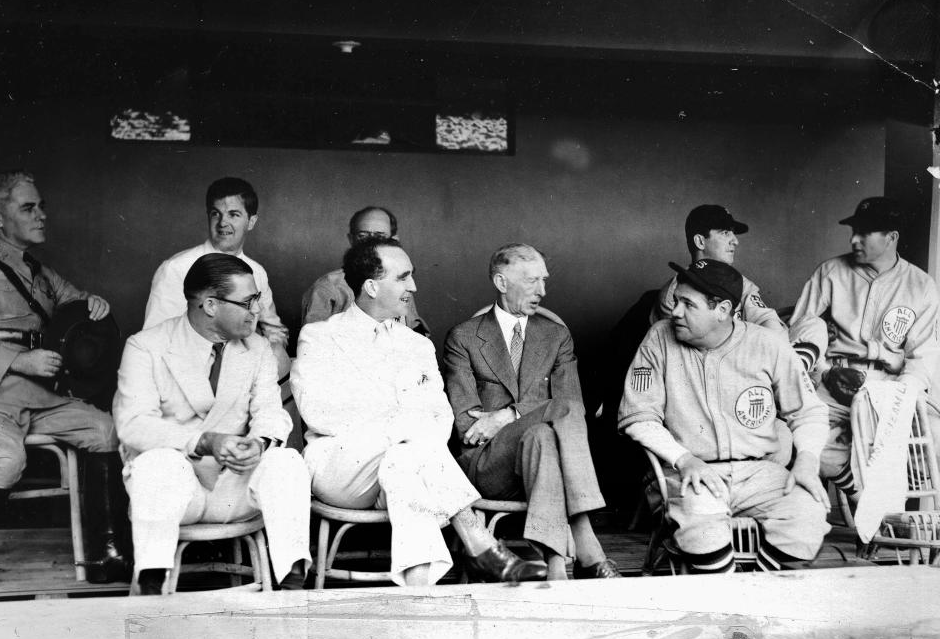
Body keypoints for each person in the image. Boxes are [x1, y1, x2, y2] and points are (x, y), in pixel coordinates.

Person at [292, 237, 546, 586]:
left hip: (401, 466)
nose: (414, 286)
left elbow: (440, 420)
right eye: (403, 277)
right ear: (370, 286)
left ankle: (419, 592)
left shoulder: (417, 345)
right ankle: (480, 543)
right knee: (411, 451)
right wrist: (402, 424)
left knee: (404, 464)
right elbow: (322, 414)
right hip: (341, 470)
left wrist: (398, 428)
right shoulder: (320, 337)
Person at [115, 253, 311, 594]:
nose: (258, 312)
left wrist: (259, 443)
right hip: (176, 490)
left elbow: (270, 411)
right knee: (157, 463)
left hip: (232, 487)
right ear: (209, 305)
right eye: (249, 302)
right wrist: (205, 441)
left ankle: (292, 583)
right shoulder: (146, 346)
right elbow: (133, 425)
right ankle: (152, 586)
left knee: (286, 460)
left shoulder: (258, 348)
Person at [620, 259, 831, 573]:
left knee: (808, 513)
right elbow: (637, 417)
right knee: (704, 532)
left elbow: (808, 411)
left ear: (722, 309)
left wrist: (808, 460)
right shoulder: (659, 338)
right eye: (676, 301)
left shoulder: (767, 343)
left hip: (761, 473)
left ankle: (757, 598)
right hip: (690, 473)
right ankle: (725, 602)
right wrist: (683, 458)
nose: (675, 311)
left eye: (687, 304)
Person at [0, 170, 127, 595]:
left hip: (43, 397)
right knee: (5, 461)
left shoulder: (40, 273)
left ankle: (105, 555)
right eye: (29, 208)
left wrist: (93, 304)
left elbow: (75, 304)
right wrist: (19, 359)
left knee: (108, 431)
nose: (42, 215)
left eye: (41, 205)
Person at [443, 243, 618, 580]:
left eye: (544, 280)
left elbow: (573, 406)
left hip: (543, 457)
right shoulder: (463, 337)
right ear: (501, 282)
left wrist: (507, 415)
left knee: (543, 434)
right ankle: (586, 542)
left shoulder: (556, 336)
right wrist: (521, 416)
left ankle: (556, 569)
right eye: (531, 281)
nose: (543, 291)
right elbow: (468, 424)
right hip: (488, 463)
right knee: (556, 414)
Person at [788, 197, 940, 499]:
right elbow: (799, 333)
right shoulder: (831, 272)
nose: (854, 239)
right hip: (833, 386)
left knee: (935, 437)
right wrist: (825, 372)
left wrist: (899, 397)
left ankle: (887, 499)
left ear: (891, 237)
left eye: (865, 232)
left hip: (888, 388)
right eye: (853, 231)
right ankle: (868, 497)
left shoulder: (920, 285)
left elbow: (923, 358)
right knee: (802, 442)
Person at [143, 177, 290, 376]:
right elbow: (155, 339)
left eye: (234, 214)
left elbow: (273, 328)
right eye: (216, 214)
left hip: (243, 377)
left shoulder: (257, 272)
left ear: (251, 222)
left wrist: (274, 349)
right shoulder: (176, 268)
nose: (223, 223)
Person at [651, 205, 784, 331]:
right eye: (725, 233)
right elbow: (696, 350)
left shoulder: (740, 282)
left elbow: (769, 324)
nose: (735, 241)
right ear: (700, 242)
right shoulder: (676, 293)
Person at [299, 206, 427, 332]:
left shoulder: (401, 283)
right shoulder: (327, 288)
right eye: (362, 235)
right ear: (351, 239)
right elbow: (315, 341)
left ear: (394, 241)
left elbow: (413, 327)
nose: (370, 243)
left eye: (380, 236)